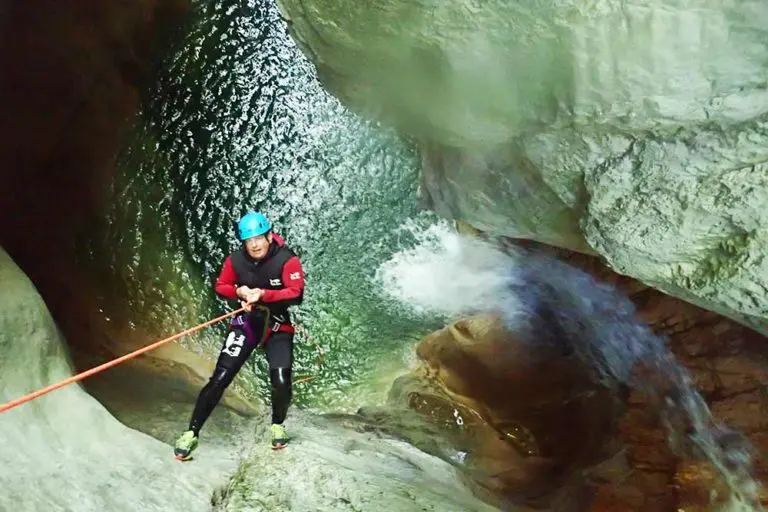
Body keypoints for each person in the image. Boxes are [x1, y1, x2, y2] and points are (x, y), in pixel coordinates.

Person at [174, 211, 305, 460]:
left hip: (277, 325)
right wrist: (240, 291)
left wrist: (263, 295)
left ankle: (278, 424)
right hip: (247, 322)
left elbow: (296, 293)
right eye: (248, 240)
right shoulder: (235, 261)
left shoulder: (288, 261)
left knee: (280, 379)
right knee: (220, 377)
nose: (254, 244)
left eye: (258, 238)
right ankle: (191, 433)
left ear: (268, 236)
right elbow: (221, 286)